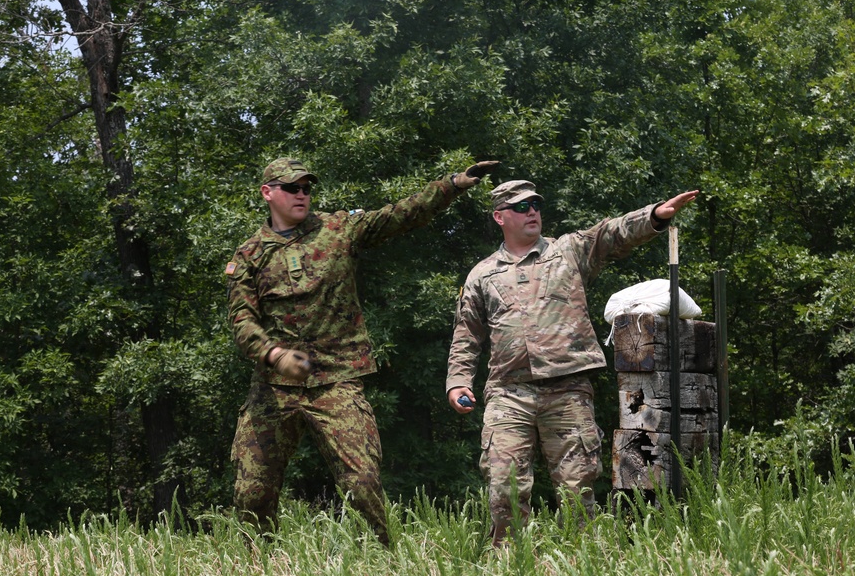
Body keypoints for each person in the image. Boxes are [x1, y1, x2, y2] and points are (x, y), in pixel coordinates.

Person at [227, 156, 499, 545]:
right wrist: (274, 355)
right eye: (292, 188)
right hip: (275, 385)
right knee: (253, 489)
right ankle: (254, 567)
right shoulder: (249, 256)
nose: (302, 194)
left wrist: (453, 184)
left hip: (337, 379)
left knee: (362, 481)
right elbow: (242, 323)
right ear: (268, 193)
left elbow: (401, 214)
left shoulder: (338, 228)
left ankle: (383, 561)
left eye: (306, 187)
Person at [446, 179, 698, 546]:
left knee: (576, 487)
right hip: (508, 393)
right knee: (504, 487)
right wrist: (458, 380)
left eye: (535, 204)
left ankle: (583, 568)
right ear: (500, 216)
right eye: (520, 206)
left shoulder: (568, 251)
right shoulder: (482, 274)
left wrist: (655, 216)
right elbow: (467, 333)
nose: (531, 211)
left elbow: (611, 234)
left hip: (568, 389)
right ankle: (507, 569)